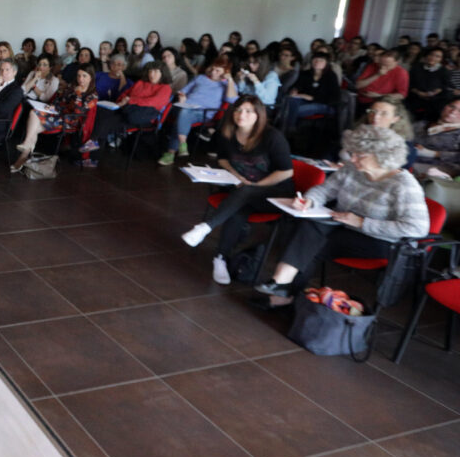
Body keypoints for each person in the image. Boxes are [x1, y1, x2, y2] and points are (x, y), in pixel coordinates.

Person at [254, 125, 429, 306]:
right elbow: (325, 190)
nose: (353, 159)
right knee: (309, 227)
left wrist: (362, 222)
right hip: (347, 226)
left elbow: (417, 228)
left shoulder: (404, 185)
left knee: (311, 243)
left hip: (382, 240)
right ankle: (282, 284)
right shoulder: (352, 168)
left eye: (360, 155)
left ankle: (284, 292)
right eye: (353, 153)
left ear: (382, 156)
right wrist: (309, 201)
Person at [180, 96, 294, 285]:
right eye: (238, 110)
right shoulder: (228, 133)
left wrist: (257, 185)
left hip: (276, 195)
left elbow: (286, 172)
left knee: (245, 192)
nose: (242, 115)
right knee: (237, 211)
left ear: (258, 115)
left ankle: (204, 228)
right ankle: (220, 259)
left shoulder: (272, 137)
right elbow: (223, 159)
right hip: (245, 194)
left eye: (249, 111)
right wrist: (237, 176)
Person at [12, 66, 98, 172]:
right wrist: (53, 106)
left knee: (33, 127)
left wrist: (78, 95)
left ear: (91, 78)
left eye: (84, 76)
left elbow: (78, 112)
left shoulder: (92, 96)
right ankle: (26, 148)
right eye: (79, 75)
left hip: (71, 121)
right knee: (33, 113)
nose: (81, 79)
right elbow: (60, 99)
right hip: (58, 115)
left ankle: (23, 154)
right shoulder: (72, 87)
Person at [81, 61, 171, 156]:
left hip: (143, 117)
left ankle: (93, 149)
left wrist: (130, 100)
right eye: (150, 71)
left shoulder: (165, 88)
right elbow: (126, 93)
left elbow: (152, 102)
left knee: (106, 121)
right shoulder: (141, 83)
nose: (152, 74)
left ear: (163, 73)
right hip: (128, 110)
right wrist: (120, 102)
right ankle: (93, 145)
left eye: (156, 71)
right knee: (101, 113)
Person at [158, 57, 237, 165]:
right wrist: (182, 96)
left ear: (225, 72)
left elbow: (231, 100)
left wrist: (230, 80)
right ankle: (181, 144)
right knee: (184, 111)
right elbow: (183, 91)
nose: (213, 72)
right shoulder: (200, 78)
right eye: (213, 69)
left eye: (217, 70)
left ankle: (171, 152)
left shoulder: (227, 85)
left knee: (183, 114)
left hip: (204, 113)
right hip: (186, 106)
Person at [348, 94, 416, 170]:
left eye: (384, 113)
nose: (375, 117)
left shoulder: (405, 148)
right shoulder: (355, 135)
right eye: (372, 111)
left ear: (395, 119)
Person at [278, 51, 340, 134]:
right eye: (315, 60)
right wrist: (295, 90)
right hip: (305, 101)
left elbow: (333, 96)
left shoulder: (331, 76)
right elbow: (297, 86)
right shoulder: (305, 74)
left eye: (321, 60)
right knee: (290, 101)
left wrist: (307, 96)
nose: (317, 62)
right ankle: (289, 129)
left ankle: (287, 130)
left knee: (292, 110)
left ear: (326, 63)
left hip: (324, 104)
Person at [413, 96, 460, 177]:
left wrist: (434, 154)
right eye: (452, 106)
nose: (453, 112)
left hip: (441, 170)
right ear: (444, 106)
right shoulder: (421, 124)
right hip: (409, 160)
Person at [408, 46, 448, 119]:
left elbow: (445, 85)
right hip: (415, 96)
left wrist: (434, 93)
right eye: (431, 54)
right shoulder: (416, 67)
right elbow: (409, 83)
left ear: (441, 59)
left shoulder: (444, 70)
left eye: (437, 56)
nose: (433, 57)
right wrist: (418, 92)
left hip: (435, 99)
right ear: (426, 55)